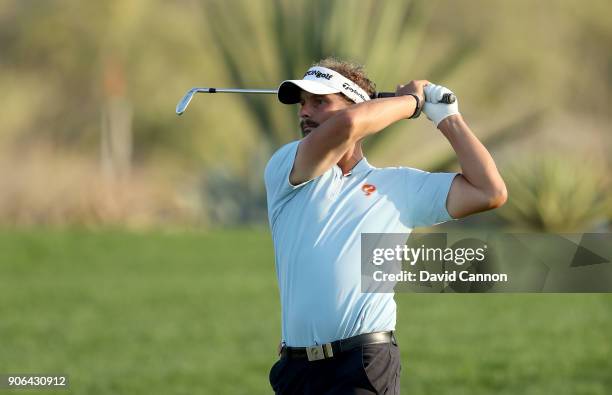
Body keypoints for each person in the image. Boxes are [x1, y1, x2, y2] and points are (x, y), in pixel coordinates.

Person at [264, 57, 507, 394]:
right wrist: (412, 103)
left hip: (362, 363)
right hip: (296, 370)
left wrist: (447, 117)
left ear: (362, 108)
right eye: (303, 103)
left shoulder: (398, 186)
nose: (305, 112)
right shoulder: (288, 168)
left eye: (319, 101)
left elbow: (489, 191)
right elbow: (346, 126)